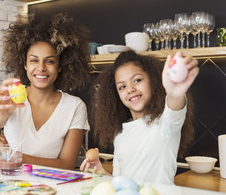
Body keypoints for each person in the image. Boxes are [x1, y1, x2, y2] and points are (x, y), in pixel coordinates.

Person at [0, 13, 91, 170]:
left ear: (61, 66)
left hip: (52, 186)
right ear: (25, 65)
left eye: (50, 61)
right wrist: (2, 109)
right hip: (9, 183)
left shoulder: (75, 106)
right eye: (34, 60)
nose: (41, 68)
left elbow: (66, 164)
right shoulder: (13, 97)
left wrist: (13, 154)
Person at [80, 50, 199, 185]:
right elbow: (121, 182)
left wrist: (174, 93)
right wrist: (102, 174)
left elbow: (174, 107)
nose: (130, 89)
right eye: (122, 87)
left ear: (153, 81)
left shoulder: (165, 124)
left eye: (137, 80)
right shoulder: (120, 135)